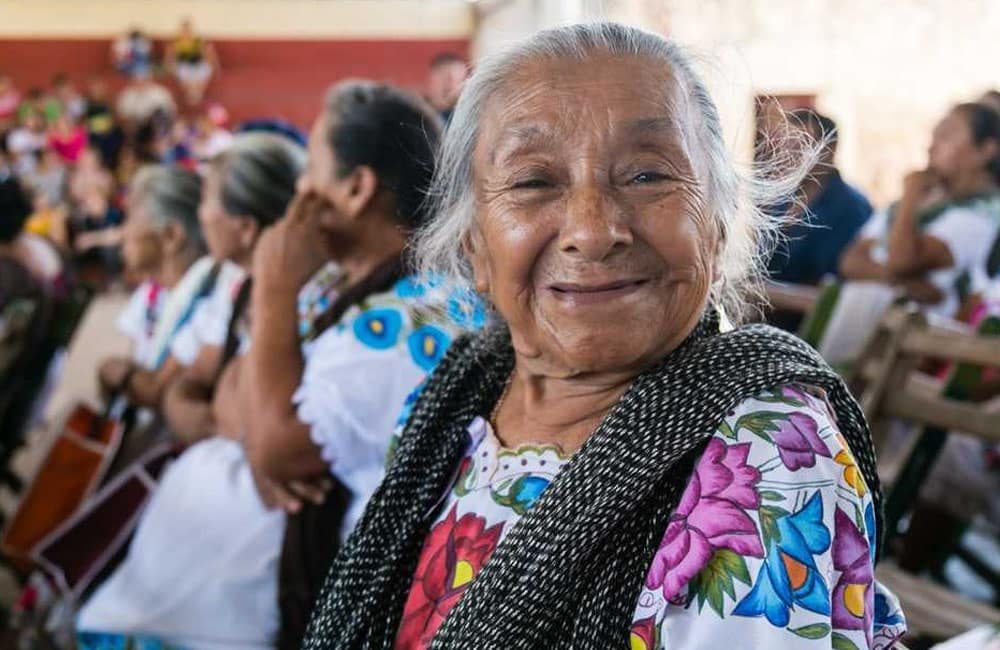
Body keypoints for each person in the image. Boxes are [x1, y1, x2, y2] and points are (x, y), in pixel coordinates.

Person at [302, 23, 906, 650]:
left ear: (720, 224)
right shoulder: (456, 394)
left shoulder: (771, 459)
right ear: (473, 244)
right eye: (534, 182)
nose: (592, 231)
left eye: (647, 176)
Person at [77, 132, 306, 650]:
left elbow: (226, 412)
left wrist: (196, 401)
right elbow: (191, 394)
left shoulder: (286, 297)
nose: (202, 217)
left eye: (209, 201)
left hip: (245, 533)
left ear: (245, 227)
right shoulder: (234, 286)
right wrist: (204, 404)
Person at [825, 103, 1000, 365]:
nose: (931, 147)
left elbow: (901, 260)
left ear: (985, 151)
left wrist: (910, 194)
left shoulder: (984, 215)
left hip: (930, 347)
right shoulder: (925, 200)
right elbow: (850, 261)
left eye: (947, 136)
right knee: (862, 295)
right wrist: (906, 284)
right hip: (888, 335)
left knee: (870, 296)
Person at [95, 165, 208, 400]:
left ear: (170, 236)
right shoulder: (153, 292)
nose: (123, 232)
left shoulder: (206, 306)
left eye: (130, 219)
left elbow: (157, 391)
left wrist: (121, 374)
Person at [769, 109, 873, 286]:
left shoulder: (851, 207)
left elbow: (836, 276)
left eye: (800, 145)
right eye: (786, 145)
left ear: (828, 150)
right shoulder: (780, 200)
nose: (789, 154)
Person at [166, 18, 220, 107]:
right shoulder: (176, 42)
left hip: (198, 65)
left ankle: (196, 93)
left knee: (206, 70)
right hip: (183, 66)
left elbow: (208, 53)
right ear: (181, 31)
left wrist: (215, 66)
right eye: (184, 30)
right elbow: (170, 56)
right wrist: (169, 66)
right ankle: (192, 94)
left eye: (188, 30)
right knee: (181, 72)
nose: (186, 32)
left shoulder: (198, 41)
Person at [426, 52, 469, 124]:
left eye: (459, 80)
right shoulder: (417, 112)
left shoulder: (467, 118)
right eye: (447, 79)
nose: (452, 85)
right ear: (431, 79)